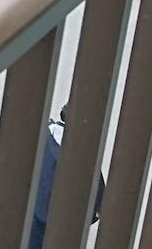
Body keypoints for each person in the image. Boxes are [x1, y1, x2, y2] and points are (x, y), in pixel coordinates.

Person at [28, 106, 105, 249]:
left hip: (36, 210)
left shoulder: (47, 133)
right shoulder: (85, 158)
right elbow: (98, 198)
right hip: (64, 220)